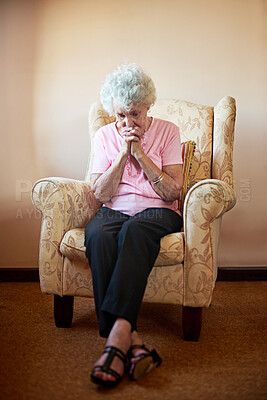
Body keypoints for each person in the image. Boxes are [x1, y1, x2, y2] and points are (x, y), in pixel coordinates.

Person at [84, 63, 183, 387]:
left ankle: (115, 343)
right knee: (97, 233)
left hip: (157, 211)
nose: (128, 123)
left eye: (135, 115)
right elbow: (100, 193)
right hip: (115, 209)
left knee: (134, 231)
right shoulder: (104, 136)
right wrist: (122, 154)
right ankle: (133, 340)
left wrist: (139, 152)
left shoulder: (167, 131)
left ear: (148, 106)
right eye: (121, 116)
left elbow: (173, 190)